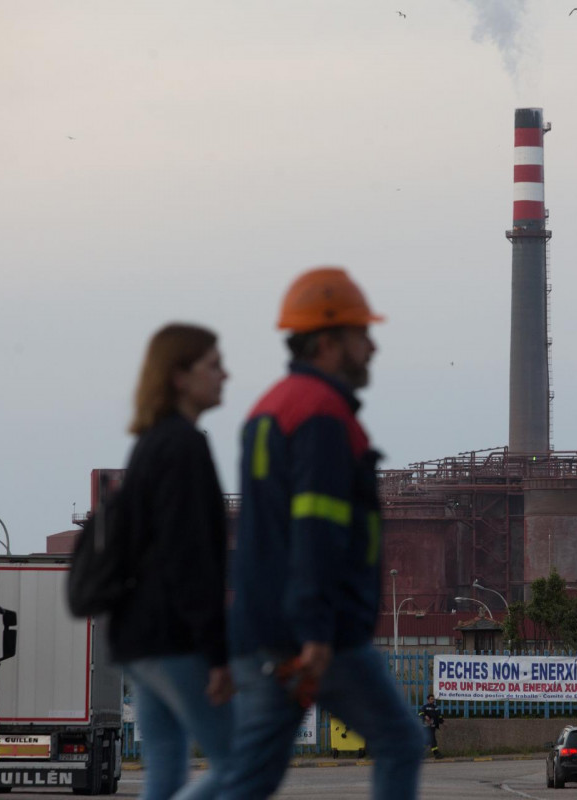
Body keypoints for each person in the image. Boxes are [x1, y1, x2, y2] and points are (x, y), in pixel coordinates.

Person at [223, 267, 424, 800]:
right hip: (316, 636)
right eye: (363, 335)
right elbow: (315, 530)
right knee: (401, 740)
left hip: (261, 626)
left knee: (249, 779)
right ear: (329, 340)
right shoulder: (323, 416)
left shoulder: (266, 409)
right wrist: (315, 632)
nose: (372, 349)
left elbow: (265, 534)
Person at [108, 323, 233, 800]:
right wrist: (216, 655)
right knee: (242, 763)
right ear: (180, 376)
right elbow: (191, 562)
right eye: (214, 365)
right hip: (174, 639)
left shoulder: (149, 444)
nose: (225, 375)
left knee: (165, 770)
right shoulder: (184, 445)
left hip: (136, 639)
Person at [418, 694, 444, 758]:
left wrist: (442, 722)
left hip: (433, 726)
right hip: (426, 726)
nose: (433, 700)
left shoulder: (436, 708)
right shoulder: (425, 707)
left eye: (433, 699)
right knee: (433, 739)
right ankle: (436, 754)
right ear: (428, 700)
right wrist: (425, 716)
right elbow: (420, 714)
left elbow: (439, 716)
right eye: (431, 699)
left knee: (427, 741)